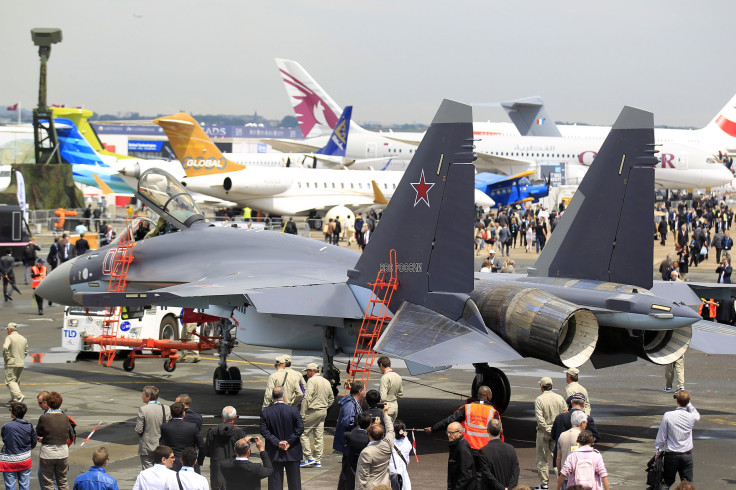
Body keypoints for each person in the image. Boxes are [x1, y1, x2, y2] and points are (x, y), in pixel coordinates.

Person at [424, 385, 501, 453]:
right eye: (491, 394)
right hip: (485, 450)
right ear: (487, 395)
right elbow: (499, 433)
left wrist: (433, 429)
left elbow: (450, 420)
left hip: (468, 448)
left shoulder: (468, 408)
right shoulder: (493, 412)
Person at [259, 386, 304, 490]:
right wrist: (289, 442)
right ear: (283, 397)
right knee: (295, 483)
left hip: (274, 452)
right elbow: (300, 428)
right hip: (292, 451)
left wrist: (278, 443)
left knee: (275, 483)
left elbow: (264, 431)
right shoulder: (294, 410)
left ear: (272, 397)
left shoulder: (266, 412)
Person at [655, 390, 699, 488]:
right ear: (687, 402)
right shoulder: (691, 417)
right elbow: (697, 415)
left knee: (666, 482)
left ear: (677, 401)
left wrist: (658, 452)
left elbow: (661, 436)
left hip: (671, 454)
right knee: (688, 484)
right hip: (686, 454)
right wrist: (689, 404)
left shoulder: (668, 415)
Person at [299, 363, 334, 468]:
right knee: (318, 435)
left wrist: (302, 413)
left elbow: (307, 398)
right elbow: (331, 398)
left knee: (303, 432)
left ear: (312, 371)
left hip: (313, 410)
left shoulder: (311, 381)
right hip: (323, 411)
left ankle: (309, 457)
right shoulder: (326, 381)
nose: (307, 373)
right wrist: (325, 406)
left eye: (307, 371)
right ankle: (318, 459)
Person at [535, 377, 567, 490]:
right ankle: (562, 482)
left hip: (543, 432)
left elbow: (540, 419)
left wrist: (548, 429)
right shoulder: (560, 398)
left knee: (542, 459)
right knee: (558, 458)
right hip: (557, 431)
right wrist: (555, 430)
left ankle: (544, 484)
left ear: (542, 387)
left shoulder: (539, 399)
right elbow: (565, 414)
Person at [203, 406, 245, 490]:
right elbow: (245, 452)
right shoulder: (239, 433)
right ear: (235, 417)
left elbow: (207, 451)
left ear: (222, 416)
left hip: (217, 469)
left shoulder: (212, 432)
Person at [36, 391, 71, 490]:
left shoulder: (44, 417)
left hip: (48, 452)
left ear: (48, 403)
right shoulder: (65, 417)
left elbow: (38, 432)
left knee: (48, 482)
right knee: (62, 481)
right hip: (63, 451)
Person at [355, 404, 394, 490]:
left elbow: (362, 477)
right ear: (383, 434)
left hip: (372, 487)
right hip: (385, 485)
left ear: (369, 434)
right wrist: (386, 414)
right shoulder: (388, 445)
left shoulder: (366, 452)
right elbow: (390, 430)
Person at [0, 401, 37, 490]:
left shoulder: (7, 426)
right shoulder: (29, 425)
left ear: (13, 412)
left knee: (10, 486)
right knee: (24, 485)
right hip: (24, 459)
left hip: (9, 461)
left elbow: (5, 439)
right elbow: (34, 441)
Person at [160, 402, 204, 472]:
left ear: (171, 414)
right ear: (183, 414)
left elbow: (162, 445)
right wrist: (199, 461)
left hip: (172, 463)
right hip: (189, 462)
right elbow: (201, 445)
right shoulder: (192, 427)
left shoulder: (165, 427)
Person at [135, 385, 172, 469]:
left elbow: (139, 429)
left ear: (149, 397)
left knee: (147, 471)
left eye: (143, 394)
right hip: (162, 444)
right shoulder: (166, 408)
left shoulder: (143, 409)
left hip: (147, 445)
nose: (142, 396)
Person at [477, 419, 519, 490]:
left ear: (487, 431)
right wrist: (509, 487)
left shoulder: (484, 451)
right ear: (501, 431)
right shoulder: (511, 449)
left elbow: (488, 475)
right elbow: (516, 471)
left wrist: (502, 488)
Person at [555, 411, 587, 490]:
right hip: (579, 476)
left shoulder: (562, 435)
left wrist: (560, 472)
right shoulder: (582, 436)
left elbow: (559, 457)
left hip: (565, 474)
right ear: (582, 423)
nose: (586, 425)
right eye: (586, 423)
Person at [339, 413, 371, 490]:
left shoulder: (349, 435)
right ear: (370, 424)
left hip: (351, 465)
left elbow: (345, 434)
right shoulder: (368, 439)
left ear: (357, 423)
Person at [333, 381, 364, 456]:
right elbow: (347, 422)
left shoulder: (353, 403)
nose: (365, 392)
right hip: (348, 441)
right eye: (364, 390)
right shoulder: (350, 405)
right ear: (360, 392)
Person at [445, 421, 474, 490]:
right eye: (447, 432)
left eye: (451, 433)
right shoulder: (455, 444)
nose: (449, 435)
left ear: (460, 432)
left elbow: (466, 474)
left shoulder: (462, 448)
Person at [4, 323, 27, 404]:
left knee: (10, 381)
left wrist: (6, 357)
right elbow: (26, 350)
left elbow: (5, 347)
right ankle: (14, 400)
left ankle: (19, 396)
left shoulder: (9, 337)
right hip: (21, 362)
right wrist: (21, 357)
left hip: (12, 363)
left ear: (9, 330)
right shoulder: (23, 338)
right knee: (16, 382)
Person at [388, 420, 412, 490]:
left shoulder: (389, 443)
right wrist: (403, 433)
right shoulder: (407, 444)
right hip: (403, 473)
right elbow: (407, 441)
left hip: (391, 474)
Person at [378, 356, 403, 420]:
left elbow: (383, 397)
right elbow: (400, 395)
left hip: (387, 408)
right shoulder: (398, 376)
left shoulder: (385, 377)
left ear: (381, 365)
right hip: (395, 406)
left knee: (386, 428)